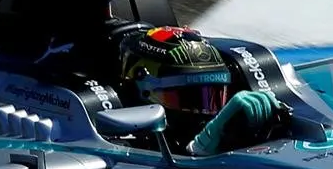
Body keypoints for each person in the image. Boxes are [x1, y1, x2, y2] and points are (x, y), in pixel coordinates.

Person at [112, 24, 286, 156]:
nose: (202, 111)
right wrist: (195, 152)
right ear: (145, 90)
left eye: (212, 97)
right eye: (188, 99)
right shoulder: (119, 143)